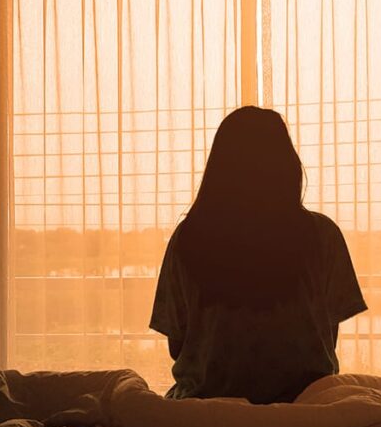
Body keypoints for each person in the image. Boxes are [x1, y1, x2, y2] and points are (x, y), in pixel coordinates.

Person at [149, 106, 367, 404]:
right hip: (303, 407)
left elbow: (177, 343)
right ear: (287, 164)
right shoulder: (322, 235)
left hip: (206, 407)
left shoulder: (188, 239)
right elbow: (327, 337)